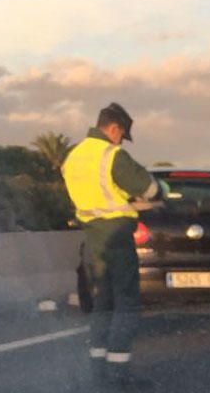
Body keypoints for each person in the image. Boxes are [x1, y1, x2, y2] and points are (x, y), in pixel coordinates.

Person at [62, 102, 160, 388]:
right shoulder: (111, 155)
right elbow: (150, 189)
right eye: (121, 135)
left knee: (102, 304)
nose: (120, 141)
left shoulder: (73, 156)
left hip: (91, 239)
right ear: (114, 128)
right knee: (127, 305)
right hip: (116, 237)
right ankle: (119, 374)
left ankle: (98, 372)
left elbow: (93, 194)